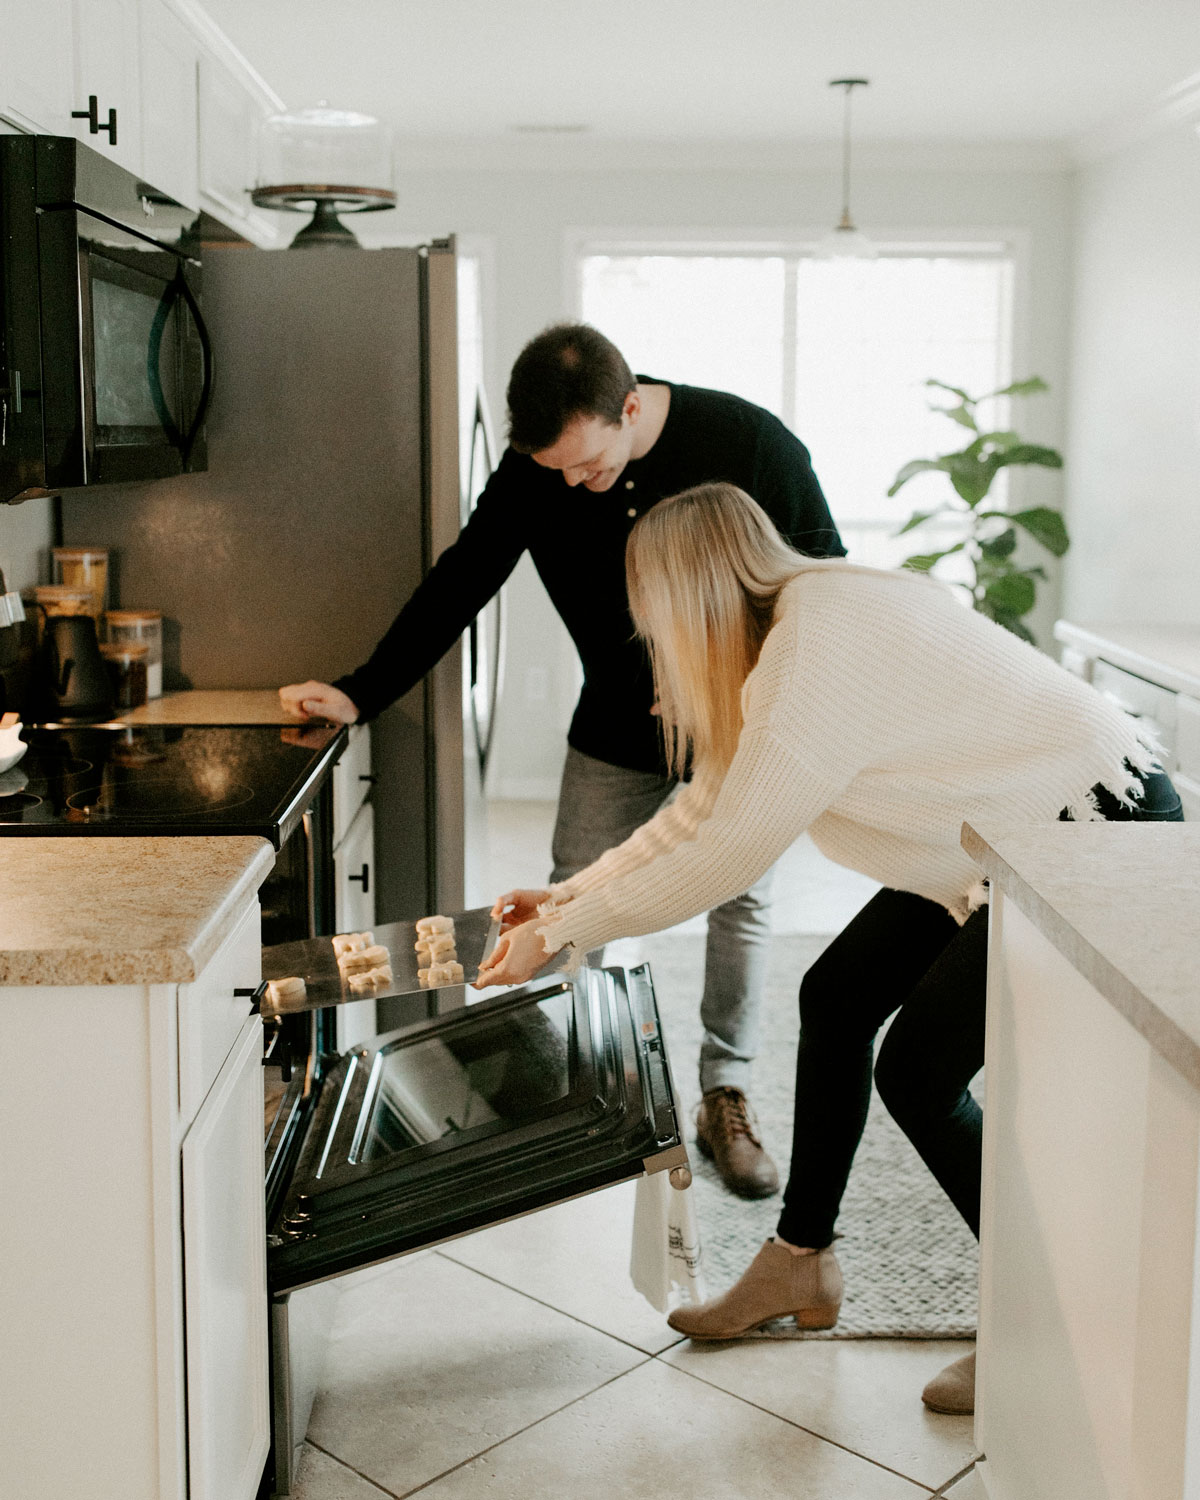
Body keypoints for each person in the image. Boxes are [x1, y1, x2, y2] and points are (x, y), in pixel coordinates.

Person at [477, 481, 1183, 1414]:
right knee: (838, 995)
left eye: (651, 620)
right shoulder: (797, 623)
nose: (651, 643)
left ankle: (1042, 1327)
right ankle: (800, 1263)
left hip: (1086, 825)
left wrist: (562, 932)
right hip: (999, 835)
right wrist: (567, 895)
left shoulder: (812, 657)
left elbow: (725, 854)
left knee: (918, 1071)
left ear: (688, 600)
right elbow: (706, 810)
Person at [280, 323, 845, 1199]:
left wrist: (743, 680)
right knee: (573, 890)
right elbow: (462, 580)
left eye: (589, 466)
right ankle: (586, 1087)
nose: (576, 485)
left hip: (739, 720)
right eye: (558, 473)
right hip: (613, 727)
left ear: (630, 406)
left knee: (743, 897)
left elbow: (823, 582)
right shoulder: (541, 468)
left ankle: (722, 1093)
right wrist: (361, 691)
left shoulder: (749, 442)